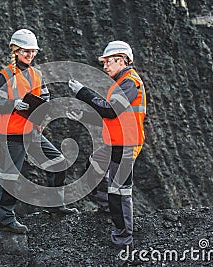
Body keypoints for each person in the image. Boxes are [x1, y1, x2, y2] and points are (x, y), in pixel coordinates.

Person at [0, 29, 78, 234]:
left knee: (58, 163)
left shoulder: (36, 75)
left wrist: (42, 108)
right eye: (25, 51)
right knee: (10, 176)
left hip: (32, 132)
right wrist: (14, 104)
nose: (29, 55)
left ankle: (55, 205)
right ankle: (6, 220)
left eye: (32, 51)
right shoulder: (5, 75)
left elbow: (45, 98)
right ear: (15, 50)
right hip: (12, 134)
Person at [67, 41, 146, 249]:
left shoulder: (130, 82)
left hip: (126, 145)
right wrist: (83, 116)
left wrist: (82, 92)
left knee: (119, 191)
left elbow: (110, 110)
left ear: (121, 60)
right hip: (114, 142)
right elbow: (111, 117)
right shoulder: (119, 83)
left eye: (108, 62)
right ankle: (107, 210)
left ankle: (123, 239)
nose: (105, 66)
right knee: (93, 172)